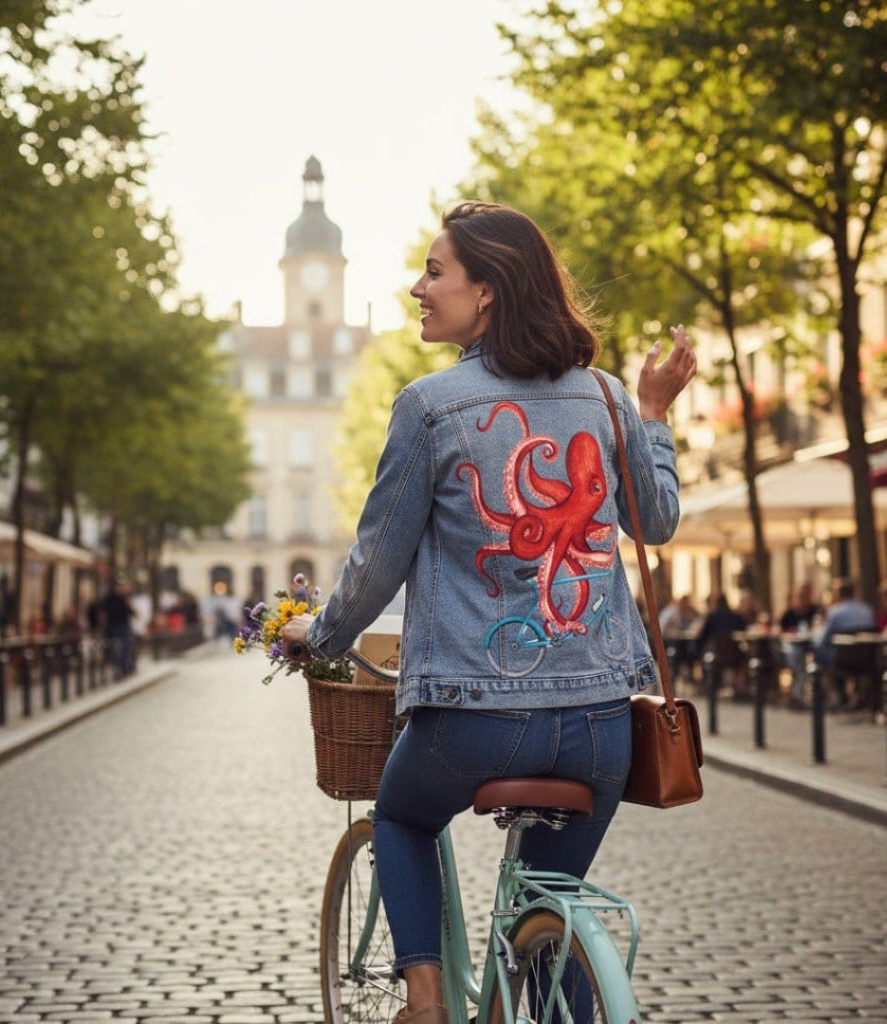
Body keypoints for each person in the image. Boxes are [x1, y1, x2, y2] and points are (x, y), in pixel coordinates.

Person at [282, 201, 696, 1024]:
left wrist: (319, 635)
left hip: (475, 717)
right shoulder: (610, 399)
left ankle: (425, 1001)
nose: (416, 288)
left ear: (490, 292)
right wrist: (654, 416)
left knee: (399, 817)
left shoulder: (431, 405)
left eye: (435, 272)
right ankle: (549, 969)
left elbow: (376, 562)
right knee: (551, 902)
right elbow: (657, 520)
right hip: (600, 726)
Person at [813, 577, 876, 708]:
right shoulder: (867, 609)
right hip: (867, 658)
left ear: (838, 594)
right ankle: (859, 697)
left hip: (841, 660)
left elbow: (822, 640)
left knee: (821, 658)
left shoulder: (835, 612)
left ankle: (838, 696)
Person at [778, 582, 822, 707]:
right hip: (793, 646)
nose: (803, 598)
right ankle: (798, 692)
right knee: (796, 657)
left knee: (817, 657)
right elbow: (780, 631)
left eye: (806, 595)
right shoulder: (789, 613)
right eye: (801, 595)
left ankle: (808, 691)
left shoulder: (816, 611)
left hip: (811, 645)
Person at [698, 593, 748, 699]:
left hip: (717, 654)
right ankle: (740, 687)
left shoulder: (711, 616)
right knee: (745, 658)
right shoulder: (736, 616)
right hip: (735, 654)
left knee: (704, 654)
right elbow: (744, 630)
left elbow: (703, 636)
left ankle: (709, 685)